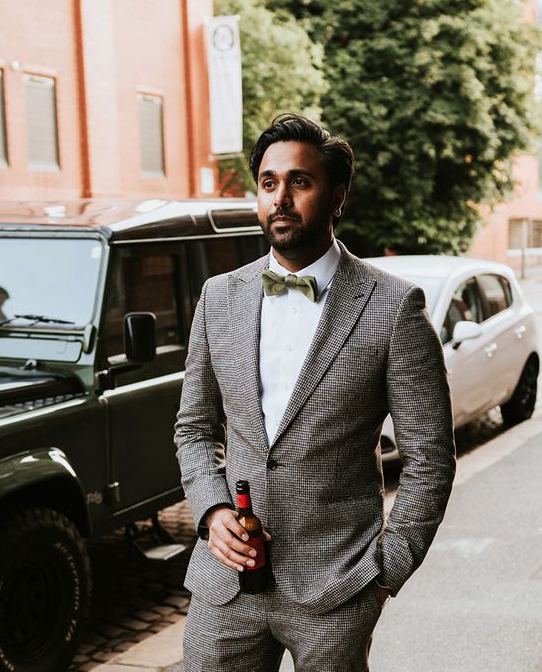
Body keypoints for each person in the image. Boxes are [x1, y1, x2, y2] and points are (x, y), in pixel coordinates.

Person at [174, 114, 456, 671]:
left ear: (337, 196)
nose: (281, 198)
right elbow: (194, 429)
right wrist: (210, 511)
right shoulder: (218, 297)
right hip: (224, 582)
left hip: (339, 585)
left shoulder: (392, 307)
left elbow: (430, 459)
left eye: (300, 182)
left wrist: (386, 570)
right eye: (269, 182)